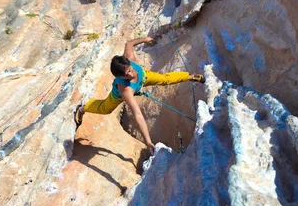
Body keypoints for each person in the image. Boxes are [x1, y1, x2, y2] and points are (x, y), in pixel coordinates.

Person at [74, 36, 206, 154]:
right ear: (119, 77)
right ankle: (82, 108)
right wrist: (148, 141)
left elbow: (129, 43)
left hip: (144, 77)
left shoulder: (129, 58)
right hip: (118, 96)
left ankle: (190, 76)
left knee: (165, 79)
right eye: (126, 75)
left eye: (130, 70)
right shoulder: (125, 90)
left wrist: (144, 39)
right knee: (105, 108)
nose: (130, 74)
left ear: (128, 62)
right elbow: (137, 114)